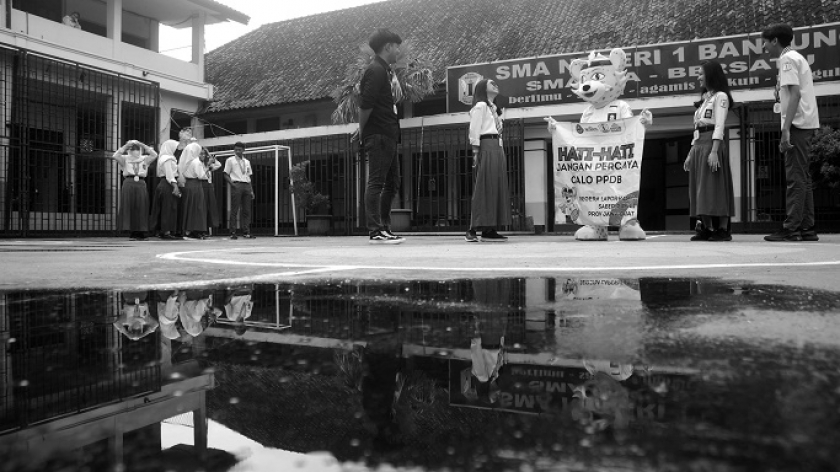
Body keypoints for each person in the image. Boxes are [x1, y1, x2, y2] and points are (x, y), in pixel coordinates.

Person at [762, 23, 821, 242]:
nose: (764, 47)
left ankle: (791, 227)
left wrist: (785, 129)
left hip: (796, 124)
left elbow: (794, 95)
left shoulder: (787, 60)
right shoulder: (798, 57)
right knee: (803, 177)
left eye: (766, 42)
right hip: (805, 122)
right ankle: (806, 227)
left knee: (795, 177)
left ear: (775, 41)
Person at [359, 28, 405, 244]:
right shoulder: (375, 70)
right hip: (378, 133)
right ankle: (375, 230)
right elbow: (365, 105)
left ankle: (384, 227)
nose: (398, 50)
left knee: (392, 183)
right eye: (396, 46)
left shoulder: (386, 71)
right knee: (376, 182)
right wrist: (362, 131)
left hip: (389, 133)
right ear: (387, 47)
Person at [683, 60, 736, 242]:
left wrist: (714, 151)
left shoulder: (721, 97)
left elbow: (719, 125)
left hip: (711, 144)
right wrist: (691, 152)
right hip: (699, 146)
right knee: (699, 188)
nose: (698, 77)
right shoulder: (705, 99)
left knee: (715, 187)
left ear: (711, 74)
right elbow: (697, 128)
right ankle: (707, 227)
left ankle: (722, 229)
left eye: (700, 73)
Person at [465, 79, 510, 242]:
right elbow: (474, 129)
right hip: (486, 144)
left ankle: (489, 228)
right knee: (483, 186)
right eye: (492, 83)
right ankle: (472, 228)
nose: (496, 84)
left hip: (497, 146)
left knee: (496, 186)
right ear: (482, 88)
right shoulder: (481, 106)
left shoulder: (495, 109)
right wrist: (475, 151)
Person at [109, 140, 158, 240]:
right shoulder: (125, 159)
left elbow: (154, 154)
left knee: (141, 206)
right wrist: (126, 146)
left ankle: (141, 231)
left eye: (137, 148)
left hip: (140, 182)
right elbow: (115, 155)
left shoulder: (144, 159)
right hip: (129, 182)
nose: (135, 150)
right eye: (133, 148)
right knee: (129, 206)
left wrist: (142, 144)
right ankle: (132, 231)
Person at [149, 139, 181, 240]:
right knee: (168, 208)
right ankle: (166, 232)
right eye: (175, 148)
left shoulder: (163, 158)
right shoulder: (168, 159)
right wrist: (175, 186)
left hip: (164, 184)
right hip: (168, 184)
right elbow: (169, 174)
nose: (176, 150)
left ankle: (161, 230)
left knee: (162, 208)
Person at [224, 142, 256, 239]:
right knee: (234, 209)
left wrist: (251, 190)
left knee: (246, 210)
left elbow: (248, 176)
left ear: (243, 150)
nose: (237, 151)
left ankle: (246, 232)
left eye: (239, 149)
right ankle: (233, 232)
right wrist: (233, 184)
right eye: (236, 149)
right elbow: (225, 174)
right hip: (237, 184)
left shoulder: (247, 162)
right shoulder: (230, 160)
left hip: (246, 185)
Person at [177, 142, 208, 239]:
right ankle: (196, 230)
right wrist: (207, 169)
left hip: (188, 185)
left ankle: (187, 230)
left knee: (189, 208)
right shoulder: (197, 162)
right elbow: (202, 176)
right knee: (198, 208)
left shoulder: (186, 162)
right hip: (196, 185)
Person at [199, 147, 222, 235]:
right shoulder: (199, 164)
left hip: (209, 186)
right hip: (202, 185)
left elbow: (218, 165)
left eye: (205, 154)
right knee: (203, 207)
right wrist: (208, 164)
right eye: (202, 154)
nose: (204, 156)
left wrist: (211, 157)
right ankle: (202, 229)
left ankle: (208, 229)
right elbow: (201, 174)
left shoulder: (209, 165)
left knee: (209, 207)